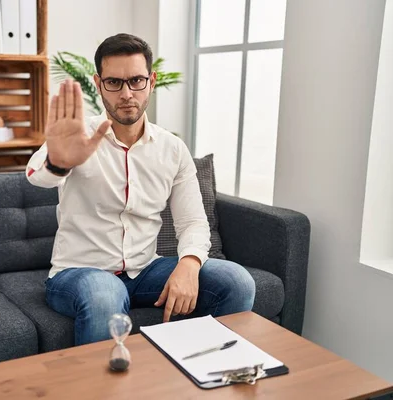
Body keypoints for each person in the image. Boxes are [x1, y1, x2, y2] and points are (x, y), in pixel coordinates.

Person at [26, 33, 255, 346]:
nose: (126, 93)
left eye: (136, 81)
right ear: (98, 82)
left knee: (236, 281)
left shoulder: (173, 149)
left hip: (146, 271)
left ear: (151, 80)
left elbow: (192, 223)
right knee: (106, 292)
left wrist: (189, 263)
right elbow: (37, 176)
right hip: (79, 273)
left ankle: (207, 374)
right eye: (114, 82)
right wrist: (59, 162)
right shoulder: (79, 136)